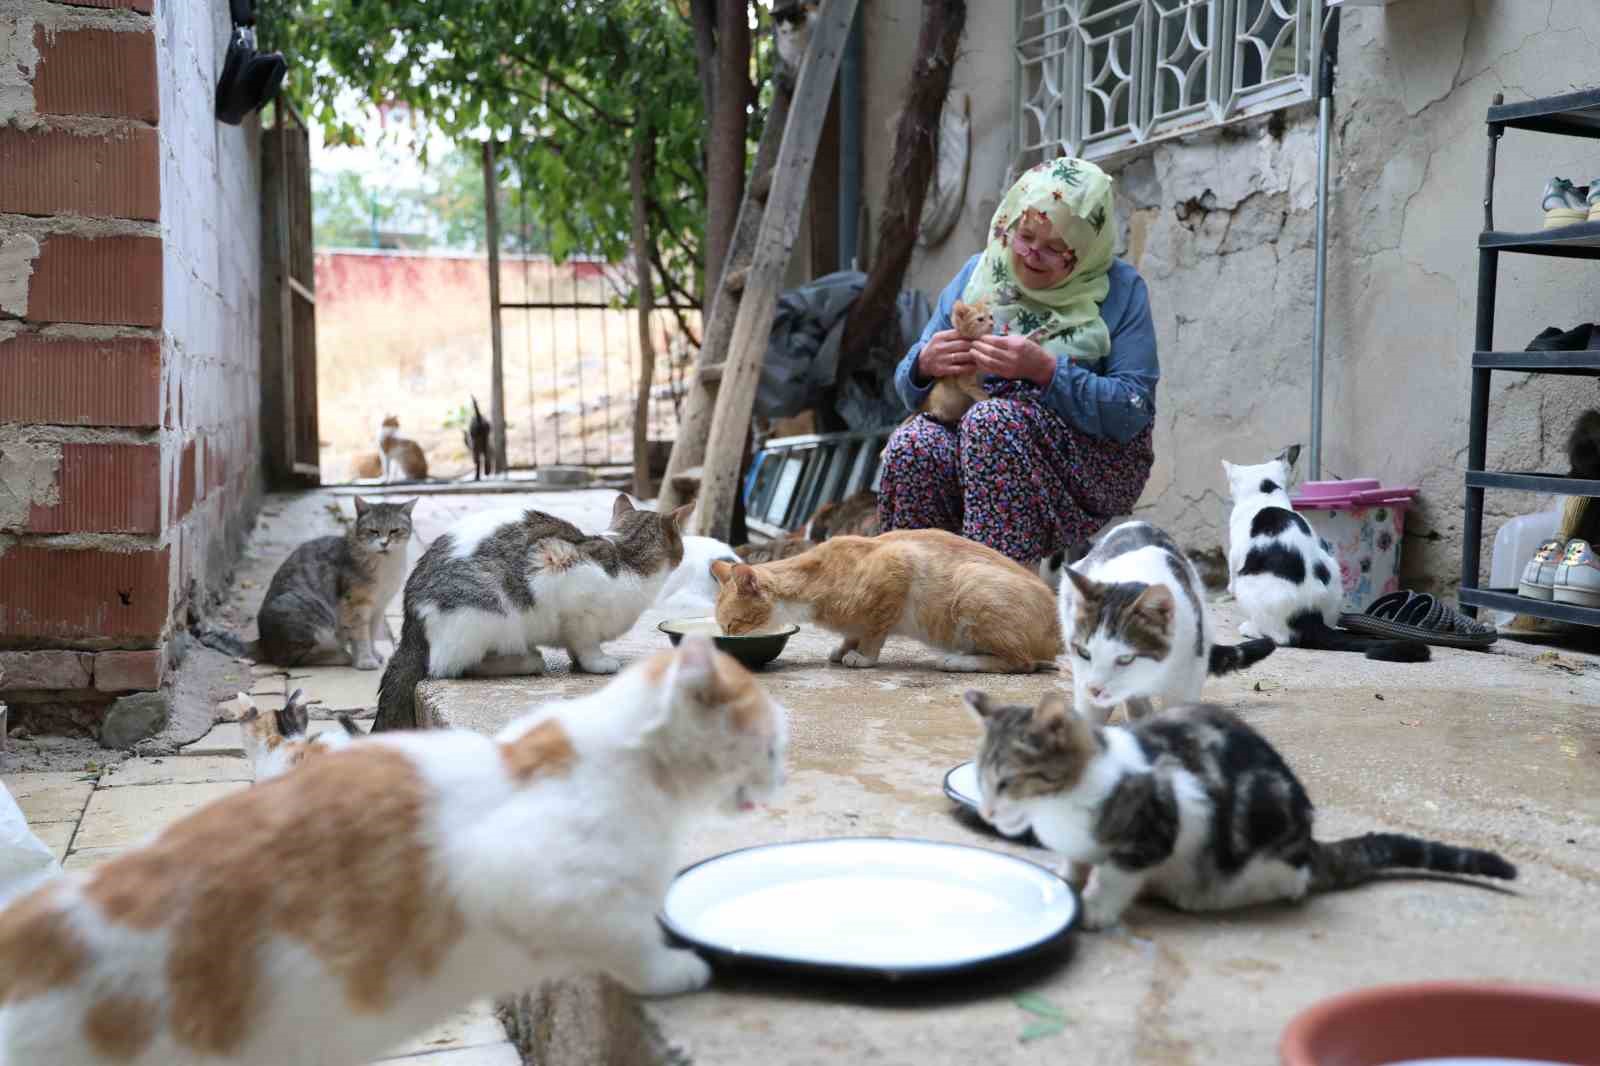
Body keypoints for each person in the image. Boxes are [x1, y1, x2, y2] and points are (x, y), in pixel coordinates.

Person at [878, 157, 1159, 566]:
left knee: (992, 422)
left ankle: (998, 602)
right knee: (912, 446)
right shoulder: (981, 272)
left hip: (1086, 458)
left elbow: (1132, 409)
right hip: (977, 440)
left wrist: (1046, 371)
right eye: (1025, 236)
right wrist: (924, 362)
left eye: (1054, 249)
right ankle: (926, 600)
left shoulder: (1120, 289)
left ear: (1083, 253)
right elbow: (907, 388)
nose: (1031, 255)